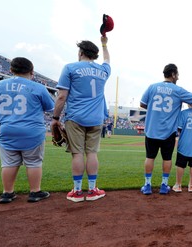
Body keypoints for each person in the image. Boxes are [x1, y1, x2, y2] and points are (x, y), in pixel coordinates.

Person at [0, 57, 55, 204]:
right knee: (34, 162)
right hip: (32, 131)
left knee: (9, 163)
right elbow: (50, 108)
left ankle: (7, 193)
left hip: (7, 129)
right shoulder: (38, 87)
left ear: (11, 70)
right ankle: (35, 192)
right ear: (32, 71)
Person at [51, 36, 111, 202]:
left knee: (77, 154)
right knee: (91, 153)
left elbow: (62, 96)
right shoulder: (104, 70)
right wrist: (104, 43)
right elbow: (107, 59)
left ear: (81, 52)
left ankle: (77, 192)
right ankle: (92, 190)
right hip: (97, 118)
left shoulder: (70, 68)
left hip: (75, 117)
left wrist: (55, 118)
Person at [139, 63, 192, 195]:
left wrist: (155, 112)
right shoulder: (177, 90)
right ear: (173, 74)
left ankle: (147, 185)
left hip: (152, 129)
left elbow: (142, 104)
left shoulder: (152, 87)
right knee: (167, 158)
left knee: (150, 157)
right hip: (168, 131)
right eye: (177, 74)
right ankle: (164, 185)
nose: (178, 77)